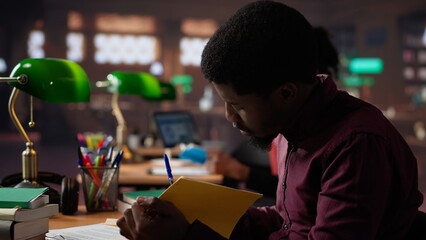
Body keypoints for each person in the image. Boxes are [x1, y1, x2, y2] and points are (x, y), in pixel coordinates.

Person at [117, 1, 424, 239]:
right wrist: (192, 216)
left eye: (237, 105)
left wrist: (188, 236)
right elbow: (286, 220)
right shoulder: (294, 124)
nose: (229, 116)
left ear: (286, 93)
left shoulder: (356, 144)